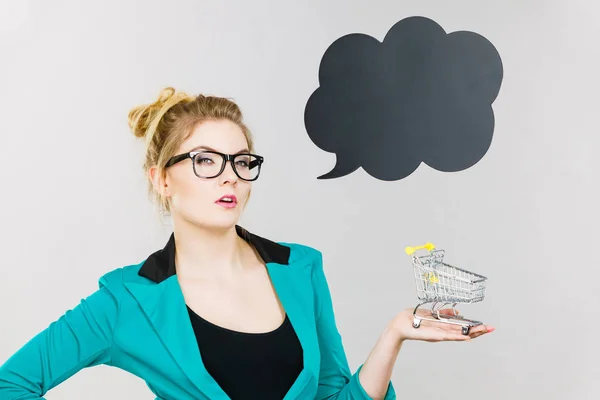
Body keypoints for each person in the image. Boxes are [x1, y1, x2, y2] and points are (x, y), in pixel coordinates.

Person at [0, 87, 494, 400]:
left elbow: (331, 397)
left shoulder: (300, 269)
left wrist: (393, 336)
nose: (229, 177)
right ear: (162, 179)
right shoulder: (129, 299)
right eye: (205, 161)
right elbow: (12, 384)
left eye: (241, 161)